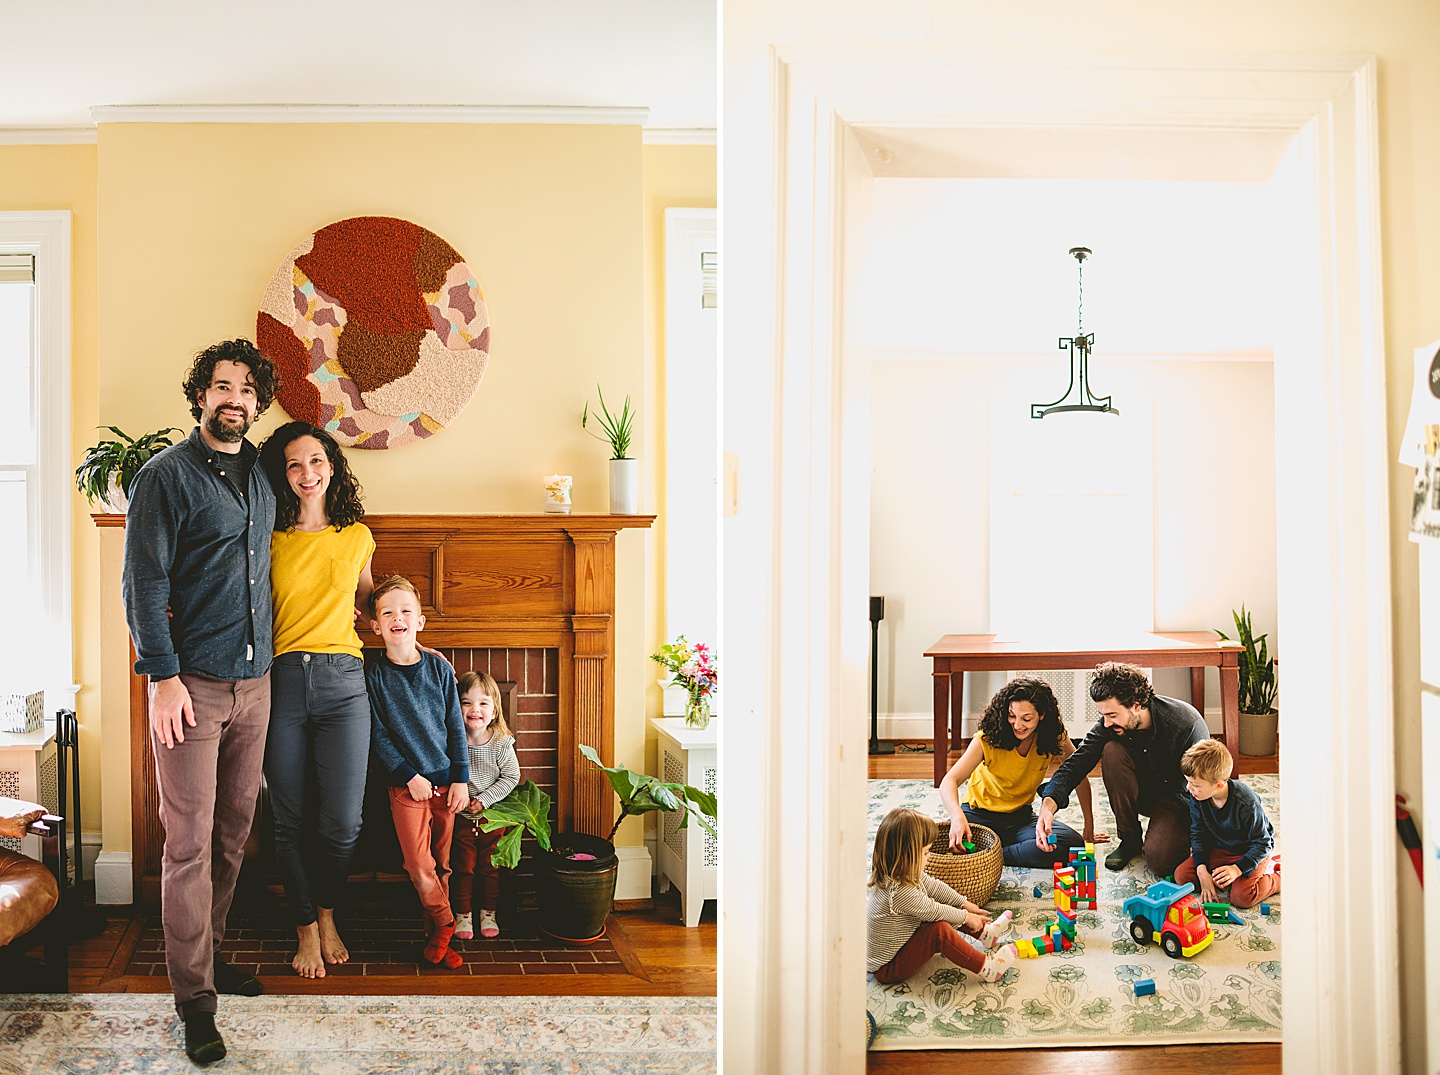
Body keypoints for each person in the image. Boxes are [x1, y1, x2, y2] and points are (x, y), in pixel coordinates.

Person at [122, 338, 280, 1064]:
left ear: (258, 401)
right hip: (190, 687)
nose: (234, 399)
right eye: (221, 386)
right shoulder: (166, 475)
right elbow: (144, 585)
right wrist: (161, 676)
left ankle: (209, 959)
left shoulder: (263, 474)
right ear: (199, 395)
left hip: (258, 685)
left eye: (246, 390)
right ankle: (193, 999)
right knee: (187, 843)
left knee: (233, 831)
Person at [256, 421, 375, 979]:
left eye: (316, 461)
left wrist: (414, 641)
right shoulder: (268, 536)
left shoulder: (357, 536)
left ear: (332, 464)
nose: (307, 474)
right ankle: (305, 927)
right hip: (280, 681)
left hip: (345, 683)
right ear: (283, 475)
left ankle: (327, 914)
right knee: (287, 820)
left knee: (344, 824)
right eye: (294, 465)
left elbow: (371, 605)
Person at [365, 574, 469, 969]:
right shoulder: (373, 677)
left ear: (420, 621)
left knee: (443, 865)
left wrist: (460, 778)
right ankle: (446, 921)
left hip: (446, 784)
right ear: (376, 626)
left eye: (406, 611)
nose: (398, 618)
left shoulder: (440, 671)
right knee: (417, 864)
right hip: (405, 787)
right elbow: (377, 734)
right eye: (388, 612)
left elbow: (455, 727)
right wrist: (409, 774)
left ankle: (437, 941)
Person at [1035, 662, 1210, 877]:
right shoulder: (1111, 726)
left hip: (1177, 798)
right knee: (1112, 751)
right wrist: (1048, 805)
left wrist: (1203, 841)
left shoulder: (1185, 724)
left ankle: (1167, 839)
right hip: (1140, 791)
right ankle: (1129, 841)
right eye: (1103, 715)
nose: (1106, 723)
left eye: (1112, 715)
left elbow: (1207, 785)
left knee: (1160, 863)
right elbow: (1075, 764)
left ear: (1136, 705)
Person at [938, 677, 1105, 867]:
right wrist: (957, 815)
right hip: (979, 816)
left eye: (1026, 719)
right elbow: (949, 780)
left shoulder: (1054, 737)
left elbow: (1079, 777)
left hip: (1020, 819)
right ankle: (1004, 851)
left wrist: (1088, 828)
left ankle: (990, 854)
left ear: (1042, 715)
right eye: (1012, 716)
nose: (1017, 725)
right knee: (942, 841)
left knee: (1072, 844)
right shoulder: (987, 738)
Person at [866, 808, 1017, 985]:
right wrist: (966, 917)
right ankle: (987, 968)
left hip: (901, 942)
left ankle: (986, 935)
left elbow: (934, 886)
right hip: (888, 968)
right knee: (939, 931)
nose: (929, 858)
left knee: (947, 910)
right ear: (907, 855)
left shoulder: (902, 871)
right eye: (925, 853)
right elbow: (934, 911)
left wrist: (964, 903)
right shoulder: (899, 892)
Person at [450, 670, 521, 940]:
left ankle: (488, 913)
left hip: (492, 819)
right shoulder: (452, 741)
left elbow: (512, 776)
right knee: (463, 868)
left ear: (493, 711)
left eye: (482, 703)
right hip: (461, 820)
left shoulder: (501, 743)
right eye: (466, 702)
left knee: (490, 869)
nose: (474, 709)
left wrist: (485, 800)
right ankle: (463, 915)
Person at [1174, 739, 1279, 909]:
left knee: (1241, 897)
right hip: (1221, 847)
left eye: (1194, 784)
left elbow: (1262, 843)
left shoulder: (1246, 802)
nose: (1188, 788)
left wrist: (1237, 869)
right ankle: (1225, 876)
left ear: (1219, 785)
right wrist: (1202, 872)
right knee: (1181, 876)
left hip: (1250, 849)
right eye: (1188, 782)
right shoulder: (1198, 796)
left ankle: (1278, 880)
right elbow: (1198, 833)